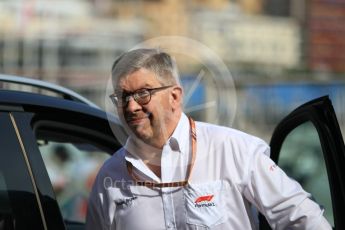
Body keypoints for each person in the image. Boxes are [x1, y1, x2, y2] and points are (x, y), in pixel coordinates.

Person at [86, 48, 331, 229]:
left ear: (175, 97)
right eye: (121, 96)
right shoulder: (111, 175)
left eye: (142, 93)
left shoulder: (233, 149)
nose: (131, 107)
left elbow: (303, 218)